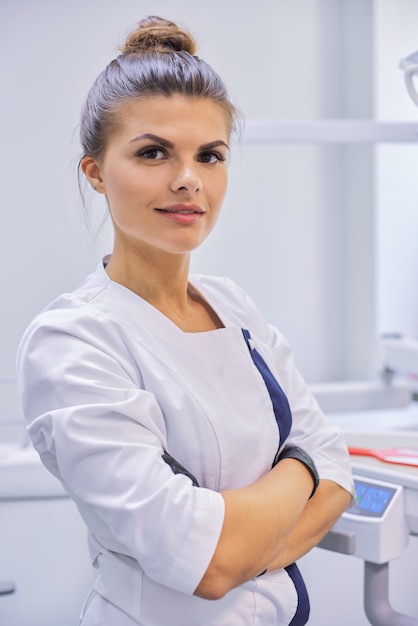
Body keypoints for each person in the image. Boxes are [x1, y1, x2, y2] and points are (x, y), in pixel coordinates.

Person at [17, 16, 353, 626]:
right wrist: (301, 464)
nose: (188, 179)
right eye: (153, 152)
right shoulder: (73, 340)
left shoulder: (234, 307)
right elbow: (210, 564)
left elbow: (340, 476)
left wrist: (242, 536)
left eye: (211, 155)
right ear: (95, 171)